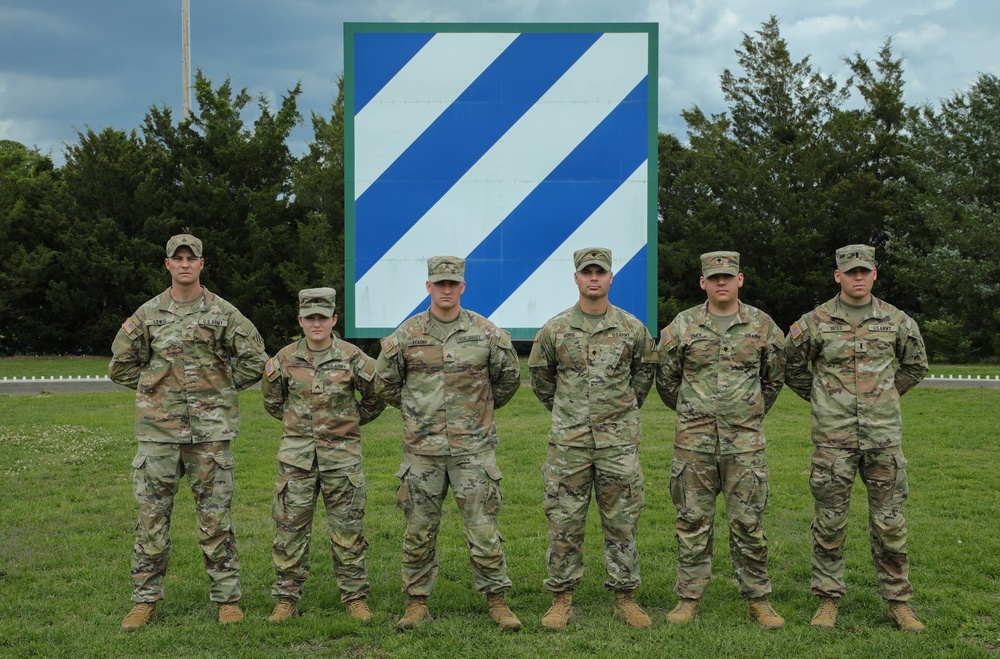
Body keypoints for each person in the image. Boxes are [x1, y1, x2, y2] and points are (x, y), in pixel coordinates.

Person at [109, 233, 266, 631]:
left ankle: (227, 600)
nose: (183, 264)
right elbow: (120, 366)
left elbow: (255, 359)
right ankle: (145, 600)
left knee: (216, 520)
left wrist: (221, 386)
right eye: (176, 258)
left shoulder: (224, 313)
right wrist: (154, 388)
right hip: (158, 434)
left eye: (190, 258)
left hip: (210, 434)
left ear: (201, 264)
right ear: (167, 265)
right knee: (151, 519)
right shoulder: (147, 314)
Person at [374, 256, 522, 631]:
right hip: (422, 453)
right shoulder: (407, 334)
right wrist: (418, 414)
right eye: (439, 283)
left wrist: (477, 414)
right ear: (428, 287)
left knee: (483, 527)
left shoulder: (485, 332)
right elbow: (385, 383)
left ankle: (498, 602)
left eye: (452, 283)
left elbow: (507, 380)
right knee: (419, 529)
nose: (445, 289)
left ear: (462, 287)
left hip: (473, 450)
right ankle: (417, 602)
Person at [785, 244, 928, 633]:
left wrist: (885, 395)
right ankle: (828, 601)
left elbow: (916, 365)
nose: (858, 277)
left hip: (883, 439)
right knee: (830, 523)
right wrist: (824, 398)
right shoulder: (815, 321)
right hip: (833, 440)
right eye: (851, 272)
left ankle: (899, 603)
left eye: (864, 271)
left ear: (875, 274)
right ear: (838, 276)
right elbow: (792, 366)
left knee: (890, 523)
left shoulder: (896, 321)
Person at [527, 247, 657, 630]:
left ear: (611, 278)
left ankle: (625, 597)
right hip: (570, 443)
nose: (594, 278)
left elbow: (643, 376)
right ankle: (561, 599)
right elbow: (541, 379)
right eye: (587, 272)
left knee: (622, 521)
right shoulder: (555, 329)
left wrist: (619, 414)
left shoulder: (632, 328)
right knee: (564, 520)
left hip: (618, 443)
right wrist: (569, 414)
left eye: (600, 272)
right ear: (577, 278)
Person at [656, 251, 786, 629]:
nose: (721, 283)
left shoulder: (762, 325)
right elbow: (666, 380)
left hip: (744, 445)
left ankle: (758, 599)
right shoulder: (683, 326)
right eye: (714, 278)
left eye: (728, 276)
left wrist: (748, 412)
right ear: (703, 283)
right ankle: (688, 597)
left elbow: (774, 378)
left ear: (740, 279)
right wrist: (691, 412)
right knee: (692, 521)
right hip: (693, 444)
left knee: (748, 522)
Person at [261, 287, 385, 623]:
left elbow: (377, 395)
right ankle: (286, 597)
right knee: (289, 531)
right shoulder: (284, 358)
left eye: (323, 317)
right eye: (310, 318)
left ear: (333, 319)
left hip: (341, 460)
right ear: (300, 320)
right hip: (296, 460)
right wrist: (300, 426)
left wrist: (350, 421)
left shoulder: (352, 356)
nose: (316, 323)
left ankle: (355, 597)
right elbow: (273, 402)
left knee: (348, 531)